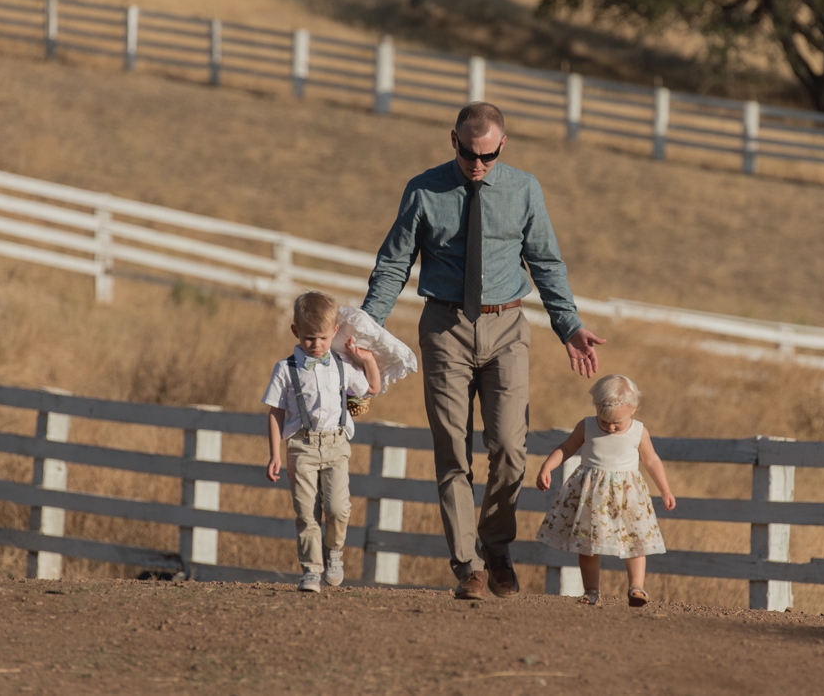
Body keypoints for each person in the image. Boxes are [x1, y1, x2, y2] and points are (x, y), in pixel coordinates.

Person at [362, 101, 606, 600]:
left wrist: (569, 326)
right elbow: (393, 264)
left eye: (489, 156)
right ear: (453, 140)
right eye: (471, 154)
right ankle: (468, 565)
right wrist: (367, 328)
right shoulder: (424, 189)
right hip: (445, 326)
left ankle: (496, 546)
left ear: (502, 145)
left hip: (507, 327)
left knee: (511, 448)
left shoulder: (524, 189)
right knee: (452, 451)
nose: (478, 166)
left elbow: (546, 262)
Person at [264, 291, 376, 593]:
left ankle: (334, 551)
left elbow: (373, 388)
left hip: (337, 445)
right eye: (310, 338)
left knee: (338, 508)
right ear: (296, 332)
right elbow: (276, 413)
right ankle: (311, 570)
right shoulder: (285, 369)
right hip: (301, 447)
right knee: (306, 512)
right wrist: (275, 454)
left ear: (334, 333)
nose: (316, 345)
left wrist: (364, 359)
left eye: (324, 338)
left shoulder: (341, 365)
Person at [536, 375, 675, 608]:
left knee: (635, 541)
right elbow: (567, 447)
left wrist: (665, 489)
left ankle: (636, 587)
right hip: (592, 496)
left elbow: (651, 460)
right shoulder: (587, 426)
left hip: (628, 496)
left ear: (634, 408)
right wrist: (547, 466)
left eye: (616, 423)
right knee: (587, 545)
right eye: (605, 421)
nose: (610, 427)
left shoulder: (639, 431)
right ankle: (591, 590)